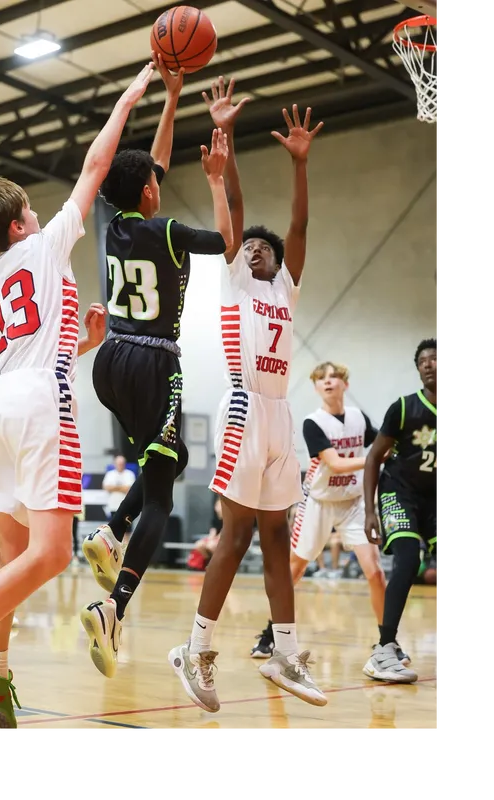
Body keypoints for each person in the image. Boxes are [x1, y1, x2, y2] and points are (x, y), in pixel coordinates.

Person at [0, 61, 156, 731]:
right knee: (54, 552)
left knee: (12, 550)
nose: (42, 214)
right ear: (16, 227)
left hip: (0, 405)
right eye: (31, 210)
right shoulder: (41, 246)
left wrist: (81, 344)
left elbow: (28, 348)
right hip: (39, 404)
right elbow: (95, 166)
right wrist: (130, 93)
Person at [168, 76, 326, 713]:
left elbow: (300, 221)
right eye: (250, 246)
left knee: (276, 544)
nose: (257, 250)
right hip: (242, 407)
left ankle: (285, 652)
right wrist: (225, 136)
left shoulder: (286, 287)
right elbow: (231, 202)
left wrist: (300, 164)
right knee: (233, 536)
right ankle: (196, 647)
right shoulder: (234, 279)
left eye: (266, 248)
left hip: (281, 415)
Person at [80, 53, 233, 679]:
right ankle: (114, 606)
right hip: (153, 363)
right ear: (150, 193)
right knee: (165, 497)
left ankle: (111, 532)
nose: (160, 182)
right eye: (156, 181)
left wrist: (171, 97)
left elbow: (152, 163)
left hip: (110, 362)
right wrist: (219, 180)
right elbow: (226, 240)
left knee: (167, 460)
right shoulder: (167, 230)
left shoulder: (116, 225)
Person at [251, 362, 407, 667]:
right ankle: (271, 633)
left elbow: (385, 444)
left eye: (333, 376)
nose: (328, 382)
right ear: (315, 387)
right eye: (321, 379)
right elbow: (335, 464)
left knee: (375, 572)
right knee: (294, 571)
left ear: (345, 384)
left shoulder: (358, 418)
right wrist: (375, 457)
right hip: (319, 501)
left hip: (353, 502)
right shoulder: (314, 422)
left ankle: (388, 641)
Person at [362, 338, 444, 683]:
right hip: (400, 490)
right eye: (422, 360)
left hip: (437, 498)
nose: (428, 364)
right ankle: (384, 649)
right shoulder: (403, 407)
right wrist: (369, 511)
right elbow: (372, 458)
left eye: (434, 359)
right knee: (408, 560)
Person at [187, 496, 223, 571]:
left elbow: (224, 533)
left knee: (211, 546)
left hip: (224, 538)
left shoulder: (228, 518)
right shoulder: (216, 518)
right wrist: (210, 539)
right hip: (216, 538)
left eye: (219, 505)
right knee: (199, 544)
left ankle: (217, 566)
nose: (217, 508)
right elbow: (213, 531)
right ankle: (208, 563)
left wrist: (214, 540)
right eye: (216, 505)